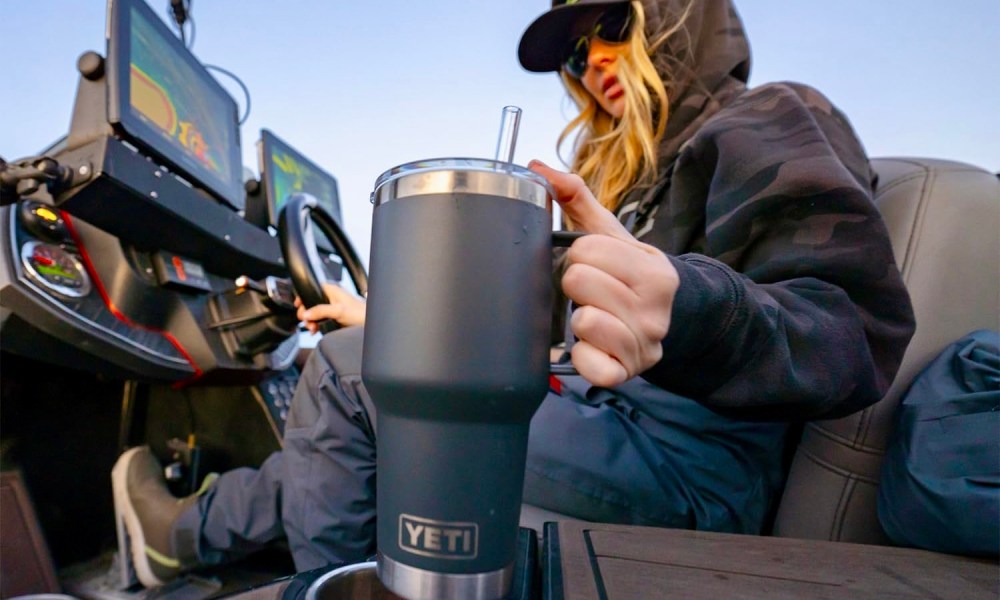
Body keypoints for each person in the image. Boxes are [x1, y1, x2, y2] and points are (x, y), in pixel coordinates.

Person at [112, 0, 915, 588]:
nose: (591, 59)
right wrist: (393, 321)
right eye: (574, 55)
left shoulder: (765, 119)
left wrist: (688, 305)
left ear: (675, 17)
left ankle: (210, 542)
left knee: (346, 376)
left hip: (692, 469)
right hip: (607, 419)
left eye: (612, 25)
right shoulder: (631, 177)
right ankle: (187, 532)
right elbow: (564, 328)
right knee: (379, 376)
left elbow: (848, 329)